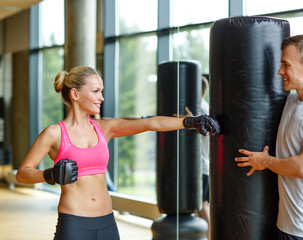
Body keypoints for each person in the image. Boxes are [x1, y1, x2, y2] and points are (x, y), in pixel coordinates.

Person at [15, 66, 220, 240]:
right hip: (74, 224)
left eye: (101, 91)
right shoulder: (54, 133)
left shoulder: (104, 128)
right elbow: (22, 173)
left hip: (107, 224)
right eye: (95, 91)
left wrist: (189, 122)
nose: (101, 98)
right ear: (75, 94)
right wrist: (49, 175)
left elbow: (150, 123)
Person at [235, 34, 303, 240]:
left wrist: (265, 161)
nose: (280, 71)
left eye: (286, 64)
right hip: (285, 222)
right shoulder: (292, 100)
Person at [185, 76, 211, 239]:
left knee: (202, 207)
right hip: (202, 166)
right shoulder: (204, 107)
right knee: (200, 207)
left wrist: (190, 121)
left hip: (201, 166)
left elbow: (205, 133)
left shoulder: (200, 109)